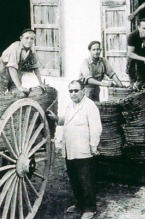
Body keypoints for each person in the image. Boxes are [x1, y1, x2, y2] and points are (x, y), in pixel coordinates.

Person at [46, 80, 102, 219]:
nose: (73, 94)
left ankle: (90, 208)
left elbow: (96, 128)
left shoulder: (90, 106)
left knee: (85, 178)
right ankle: (79, 203)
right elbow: (69, 119)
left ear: (83, 91)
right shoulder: (70, 105)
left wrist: (93, 146)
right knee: (74, 177)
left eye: (76, 91)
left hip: (83, 149)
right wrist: (57, 119)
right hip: (70, 148)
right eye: (70, 91)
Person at [0, 28, 46, 94]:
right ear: (21, 38)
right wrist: (19, 86)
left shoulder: (32, 51)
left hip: (16, 69)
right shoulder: (15, 48)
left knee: (17, 92)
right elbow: (11, 68)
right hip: (3, 68)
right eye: (27, 38)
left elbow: (35, 67)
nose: (29, 41)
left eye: (32, 39)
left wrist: (41, 83)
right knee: (0, 92)